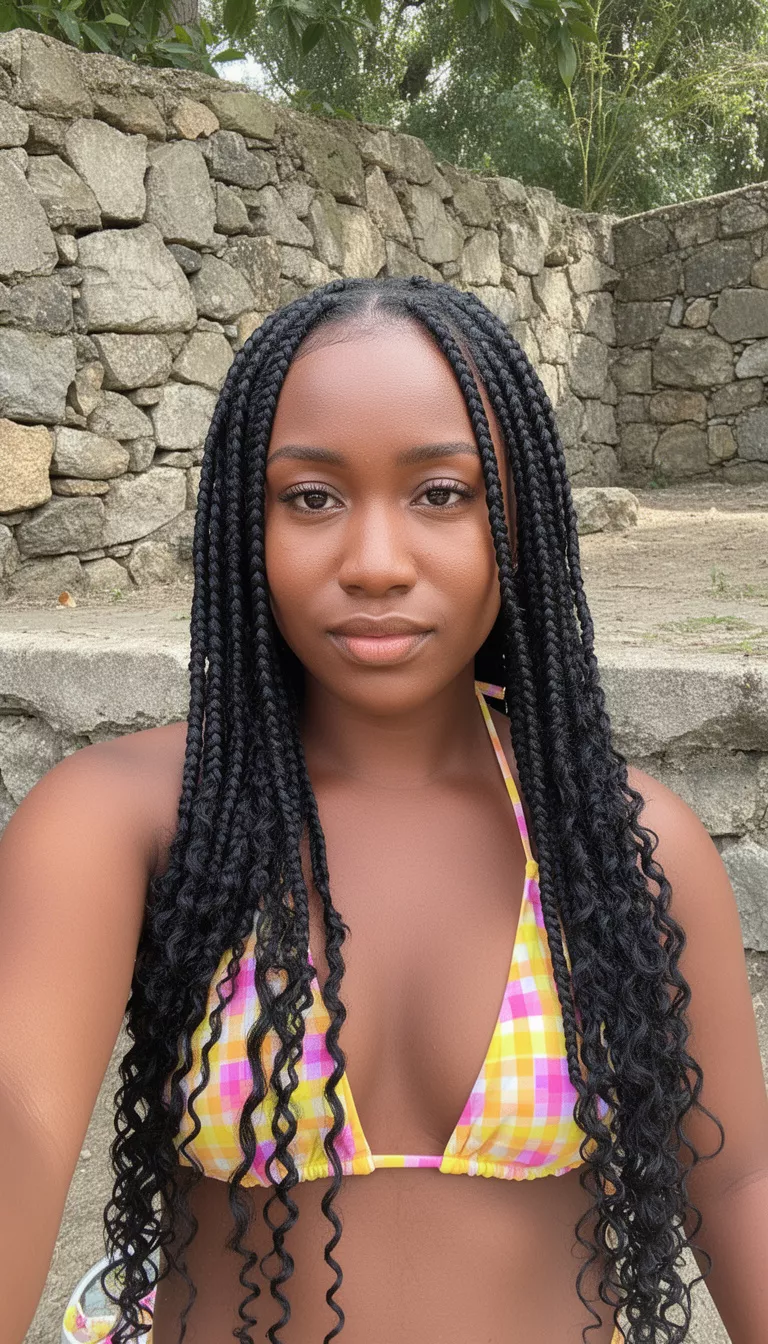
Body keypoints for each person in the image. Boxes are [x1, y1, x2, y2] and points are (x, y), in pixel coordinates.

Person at [1, 276, 766, 1344]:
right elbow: (20, 1124)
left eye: (442, 494)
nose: (374, 563)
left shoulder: (632, 845)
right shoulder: (119, 823)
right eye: (310, 497)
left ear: (519, 519)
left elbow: (733, 1187)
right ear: (242, 526)